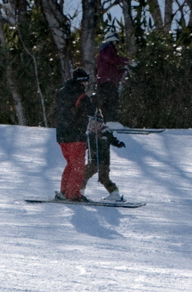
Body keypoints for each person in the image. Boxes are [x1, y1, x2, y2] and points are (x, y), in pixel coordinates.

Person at [53, 68, 95, 202]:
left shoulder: (61, 92)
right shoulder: (80, 95)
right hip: (75, 135)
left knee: (71, 164)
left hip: (61, 135)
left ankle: (64, 192)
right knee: (78, 166)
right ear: (82, 82)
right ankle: (73, 194)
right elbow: (91, 111)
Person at [84, 108, 127, 202]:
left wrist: (119, 143)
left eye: (96, 124)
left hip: (103, 160)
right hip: (93, 160)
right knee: (84, 174)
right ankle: (79, 192)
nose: (93, 126)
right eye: (91, 124)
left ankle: (114, 193)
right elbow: (86, 145)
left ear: (101, 124)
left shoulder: (106, 133)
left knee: (103, 178)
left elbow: (113, 140)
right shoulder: (90, 134)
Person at [94, 34, 130, 124]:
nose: (116, 44)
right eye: (115, 42)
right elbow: (112, 59)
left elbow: (111, 68)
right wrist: (125, 61)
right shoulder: (107, 49)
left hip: (105, 81)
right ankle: (110, 122)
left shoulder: (104, 51)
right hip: (106, 82)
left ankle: (109, 122)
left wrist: (122, 71)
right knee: (111, 103)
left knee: (108, 104)